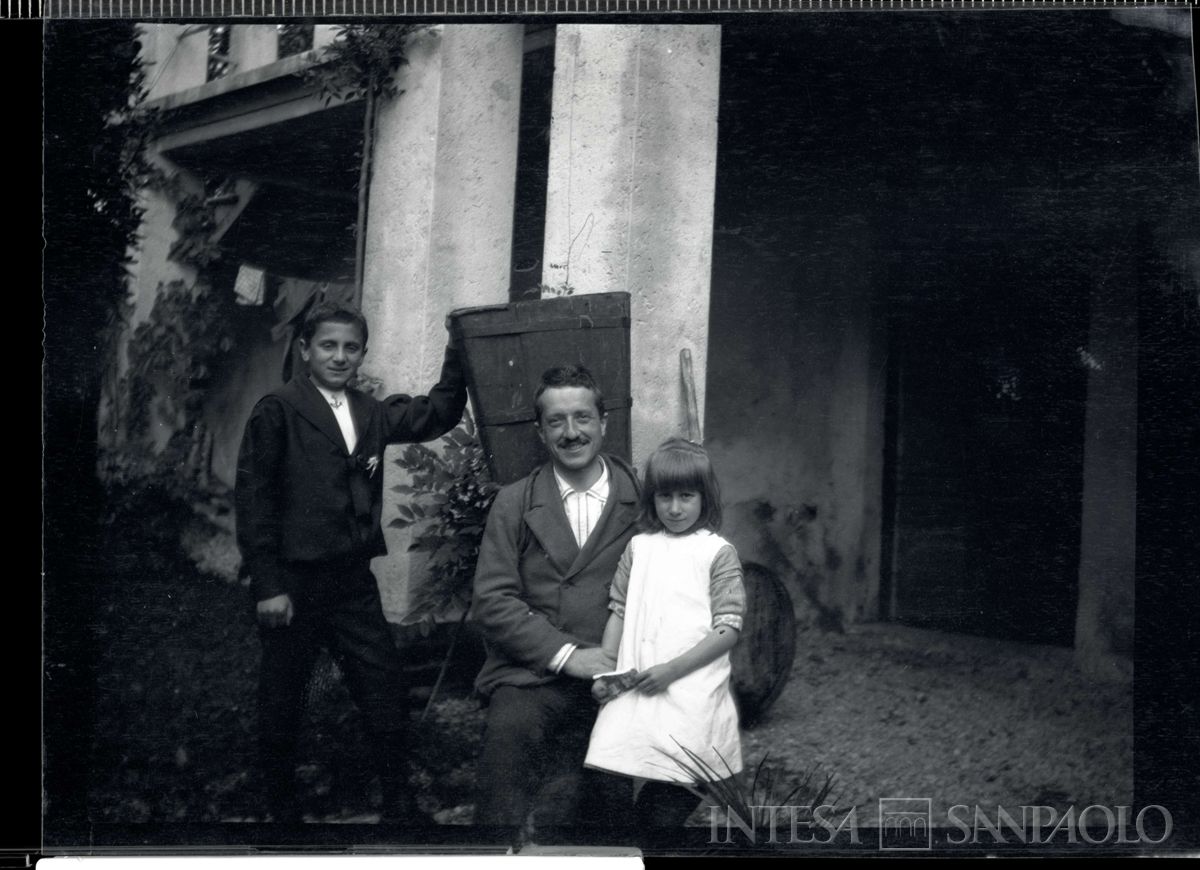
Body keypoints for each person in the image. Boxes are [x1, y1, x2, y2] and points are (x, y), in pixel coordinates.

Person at [235, 300, 468, 823]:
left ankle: (397, 802)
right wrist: (268, 583)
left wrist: (459, 345)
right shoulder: (278, 409)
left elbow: (439, 411)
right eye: (328, 346)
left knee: (382, 686)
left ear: (363, 353)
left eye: (351, 347)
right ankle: (280, 808)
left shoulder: (371, 411)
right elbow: (255, 500)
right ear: (305, 350)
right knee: (284, 693)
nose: (340, 357)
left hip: (350, 583)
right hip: (293, 582)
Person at [470, 364, 641, 835]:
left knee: (616, 797)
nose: (571, 433)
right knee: (507, 741)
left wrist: (621, 663)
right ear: (540, 432)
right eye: (556, 422)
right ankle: (493, 858)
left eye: (583, 418)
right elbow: (492, 600)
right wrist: (569, 656)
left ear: (604, 423)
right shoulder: (515, 502)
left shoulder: (642, 500)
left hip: (619, 672)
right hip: (533, 673)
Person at [584, 437, 746, 831]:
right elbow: (619, 612)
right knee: (610, 766)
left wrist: (672, 671)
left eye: (686, 496)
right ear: (652, 499)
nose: (674, 508)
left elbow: (727, 629)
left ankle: (651, 839)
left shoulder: (716, 552)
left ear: (704, 498)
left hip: (690, 686)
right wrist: (608, 671)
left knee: (679, 781)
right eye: (664, 496)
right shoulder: (640, 548)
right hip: (636, 684)